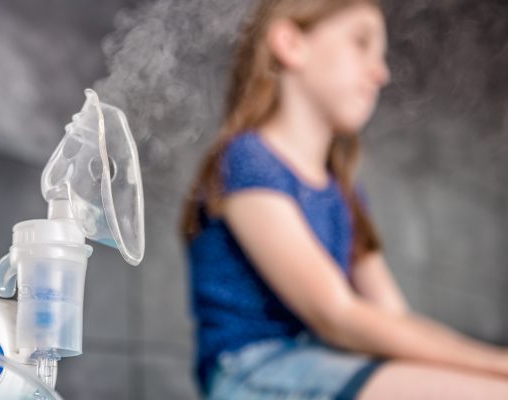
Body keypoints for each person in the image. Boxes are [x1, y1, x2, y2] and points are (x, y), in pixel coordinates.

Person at [180, 0, 508, 398]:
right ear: (291, 43)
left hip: (324, 363)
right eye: (361, 42)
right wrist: (495, 363)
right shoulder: (247, 160)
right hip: (252, 370)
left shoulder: (345, 195)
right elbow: (337, 315)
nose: (381, 72)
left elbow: (392, 318)